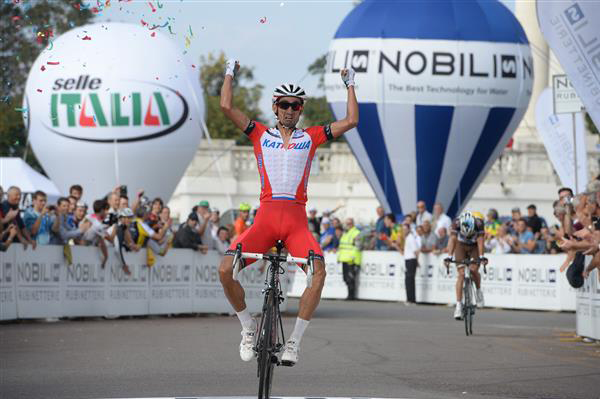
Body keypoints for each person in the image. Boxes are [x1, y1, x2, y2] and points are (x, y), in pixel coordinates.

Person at [218, 59, 358, 366]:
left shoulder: (311, 136)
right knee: (226, 270)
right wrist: (230, 72)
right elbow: (226, 106)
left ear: (301, 109)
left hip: (296, 225)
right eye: (284, 104)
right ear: (275, 106)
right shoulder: (259, 133)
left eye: (296, 105)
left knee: (319, 274)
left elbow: (350, 121)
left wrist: (350, 84)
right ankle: (247, 327)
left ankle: (293, 343)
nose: (289, 110)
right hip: (265, 222)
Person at [444, 212, 487, 319]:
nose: (468, 235)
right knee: (461, 274)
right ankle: (458, 305)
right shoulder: (456, 223)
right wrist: (449, 256)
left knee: (473, 269)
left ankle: (478, 291)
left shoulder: (479, 223)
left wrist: (481, 256)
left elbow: (481, 241)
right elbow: (452, 240)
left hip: (474, 246)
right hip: (461, 245)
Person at [337, 218, 361, 301]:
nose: (347, 225)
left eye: (348, 224)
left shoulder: (356, 233)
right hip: (344, 258)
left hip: (351, 259)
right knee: (346, 278)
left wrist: (353, 258)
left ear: (352, 224)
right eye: (346, 224)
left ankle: (351, 296)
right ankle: (350, 295)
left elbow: (358, 247)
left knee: (350, 278)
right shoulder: (346, 233)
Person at [403, 223, 421, 304]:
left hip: (411, 260)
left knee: (410, 280)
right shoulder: (407, 238)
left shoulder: (411, 238)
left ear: (409, 229)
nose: (404, 231)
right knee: (408, 280)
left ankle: (411, 299)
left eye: (405, 229)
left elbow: (416, 251)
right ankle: (410, 298)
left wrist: (417, 261)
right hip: (408, 259)